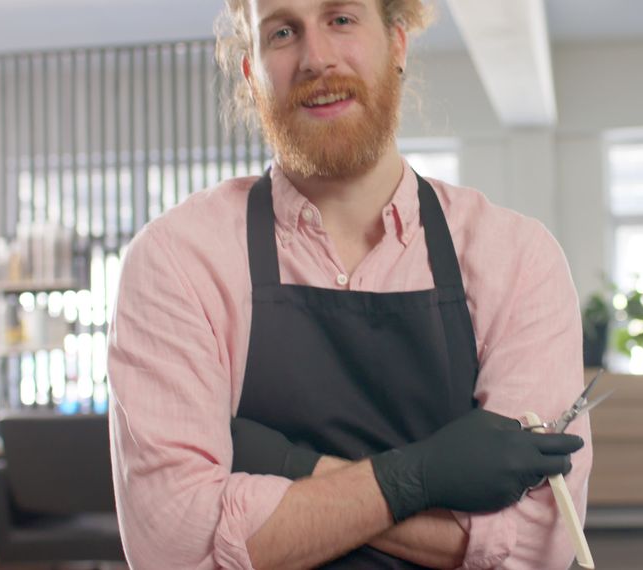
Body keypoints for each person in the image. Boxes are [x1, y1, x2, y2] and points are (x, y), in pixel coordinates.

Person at [106, 0, 593, 567]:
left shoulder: (517, 260)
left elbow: (538, 545)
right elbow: (176, 548)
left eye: (341, 18)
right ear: (252, 74)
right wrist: (421, 477)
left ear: (398, 45)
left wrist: (290, 466)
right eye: (283, 31)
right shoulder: (177, 261)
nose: (316, 58)